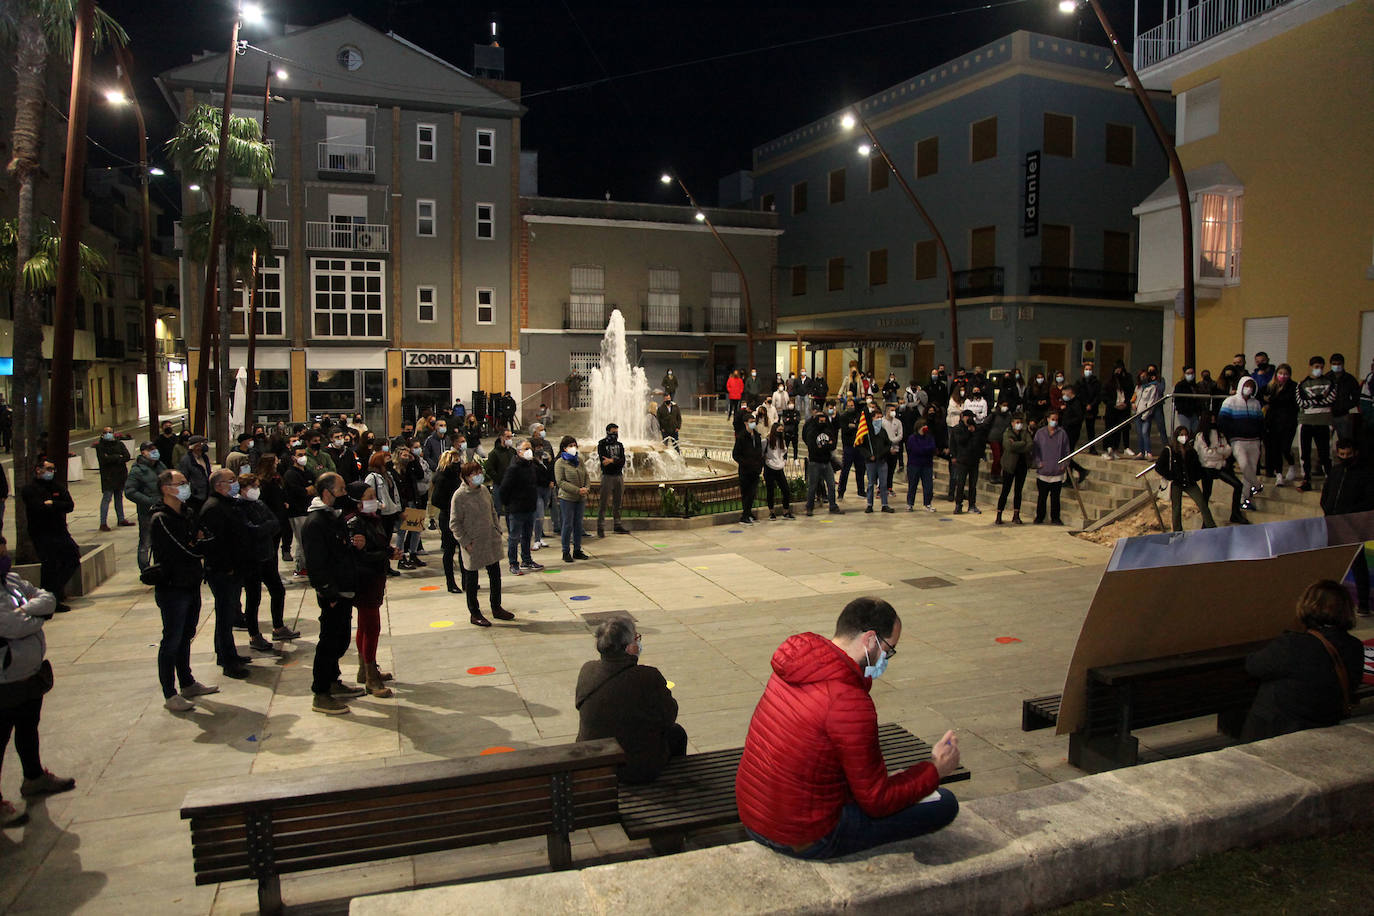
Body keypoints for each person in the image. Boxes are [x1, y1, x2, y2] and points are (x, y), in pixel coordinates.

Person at [736, 596, 960, 859]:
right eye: (889, 649)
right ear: (870, 640)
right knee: (943, 802)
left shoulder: (797, 666)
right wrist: (935, 769)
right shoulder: (849, 701)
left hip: (755, 815)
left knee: (901, 786)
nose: (887, 658)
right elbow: (877, 801)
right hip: (803, 835)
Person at [0, 535, 75, 826]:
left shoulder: (13, 580)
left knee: (28, 726)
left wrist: (30, 611)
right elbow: (10, 625)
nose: (2, 551)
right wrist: (36, 616)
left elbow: (48, 598)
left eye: (3, 545)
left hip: (29, 670)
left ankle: (33, 777)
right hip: (5, 676)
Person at [1241, 580, 1364, 742]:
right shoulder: (1355, 646)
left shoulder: (1293, 644)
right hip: (1324, 727)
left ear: (1307, 606)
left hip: (1277, 732)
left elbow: (1254, 666)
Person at [575, 615, 687, 783]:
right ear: (629, 648)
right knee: (677, 734)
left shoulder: (587, 670)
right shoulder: (647, 677)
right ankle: (675, 785)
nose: (638, 643)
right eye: (636, 638)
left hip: (593, 761)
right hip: (632, 768)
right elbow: (669, 716)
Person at [148, 470, 219, 713]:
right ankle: (170, 692)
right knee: (172, 638)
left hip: (191, 581)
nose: (185, 487)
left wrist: (198, 543)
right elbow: (184, 550)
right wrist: (197, 544)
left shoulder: (187, 513)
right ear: (166, 488)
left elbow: (206, 539)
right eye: (181, 483)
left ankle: (187, 681)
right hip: (172, 586)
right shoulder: (161, 519)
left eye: (186, 483)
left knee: (187, 634)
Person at [301, 472, 366, 714]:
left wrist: (354, 545)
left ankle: (332, 680)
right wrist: (328, 593)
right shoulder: (316, 523)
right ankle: (321, 692)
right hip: (333, 593)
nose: (344, 495)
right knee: (329, 642)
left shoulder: (333, 517)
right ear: (327, 493)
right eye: (340, 490)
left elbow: (340, 549)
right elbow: (317, 564)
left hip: (345, 588)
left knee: (340, 640)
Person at [199, 469, 253, 678]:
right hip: (222, 571)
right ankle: (228, 660)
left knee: (228, 613)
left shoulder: (227, 504)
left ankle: (226, 653)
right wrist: (228, 567)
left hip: (233, 567)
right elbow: (215, 544)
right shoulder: (213, 508)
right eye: (231, 481)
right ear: (219, 485)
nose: (235, 484)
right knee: (224, 616)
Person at [345, 480, 397, 696]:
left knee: (365, 626)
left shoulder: (373, 519)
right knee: (371, 627)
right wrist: (386, 554)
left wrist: (390, 551)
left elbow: (377, 546)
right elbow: (360, 556)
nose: (373, 500)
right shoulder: (354, 524)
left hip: (375, 577)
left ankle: (365, 668)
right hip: (364, 580)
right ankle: (370, 677)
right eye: (368, 497)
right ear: (357, 502)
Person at [449, 460, 515, 626]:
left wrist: (497, 529)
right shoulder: (459, 496)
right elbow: (454, 523)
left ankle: (496, 606)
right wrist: (465, 542)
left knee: (495, 575)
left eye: (480, 472)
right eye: (474, 473)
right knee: (472, 578)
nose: (479, 476)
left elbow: (492, 510)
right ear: (466, 477)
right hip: (472, 542)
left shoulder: (484, 490)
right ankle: (474, 612)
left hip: (490, 538)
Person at [1321, 439, 1374, 615]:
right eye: (1342, 454)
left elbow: (1369, 501)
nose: (1345, 457)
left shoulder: (1364, 474)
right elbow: (1326, 494)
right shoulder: (1335, 472)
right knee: (1333, 563)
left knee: (1358, 564)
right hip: (1333, 522)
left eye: (1348, 454)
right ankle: (1332, 603)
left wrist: (1349, 515)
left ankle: (1364, 605)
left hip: (1354, 524)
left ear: (1355, 453)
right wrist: (1328, 512)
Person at [236, 473, 287, 651]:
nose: (257, 490)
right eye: (254, 487)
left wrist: (263, 529)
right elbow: (251, 531)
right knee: (253, 597)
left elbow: (275, 522)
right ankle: (254, 634)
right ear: (243, 489)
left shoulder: (258, 503)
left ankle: (278, 626)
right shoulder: (239, 507)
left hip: (267, 555)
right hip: (251, 559)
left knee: (278, 591)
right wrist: (264, 528)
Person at [20, 460, 78, 615]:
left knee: (72, 558)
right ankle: (50, 599)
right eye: (48, 469)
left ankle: (55, 591)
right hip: (41, 533)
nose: (51, 472)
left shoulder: (56, 486)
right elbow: (37, 507)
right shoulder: (30, 489)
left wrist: (53, 504)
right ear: (38, 470)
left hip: (59, 530)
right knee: (49, 565)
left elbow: (69, 505)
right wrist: (52, 505)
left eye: (53, 469)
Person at [1154, 425, 1216, 531]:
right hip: (1176, 483)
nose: (1184, 437)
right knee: (1176, 508)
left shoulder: (1191, 451)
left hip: (1189, 482)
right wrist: (1171, 476)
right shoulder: (1169, 450)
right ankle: (1177, 531)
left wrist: (1196, 476)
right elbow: (1159, 467)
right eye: (1181, 435)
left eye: (1186, 434)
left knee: (1202, 503)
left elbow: (1197, 466)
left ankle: (1211, 526)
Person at [1195, 412, 1249, 525]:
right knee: (1206, 494)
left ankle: (1235, 514)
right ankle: (1206, 521)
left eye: (1214, 420)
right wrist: (1220, 451)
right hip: (1207, 468)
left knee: (1238, 485)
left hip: (1220, 466)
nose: (1213, 422)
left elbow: (1228, 450)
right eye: (1211, 420)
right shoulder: (1201, 436)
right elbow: (1205, 454)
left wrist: (1217, 451)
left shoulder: (1220, 434)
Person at [499, 439, 543, 574]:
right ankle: (513, 563)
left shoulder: (531, 466)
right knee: (514, 537)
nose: (530, 451)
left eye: (530, 448)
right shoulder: (513, 468)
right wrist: (509, 504)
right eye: (526, 449)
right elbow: (504, 490)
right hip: (516, 509)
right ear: (519, 452)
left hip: (529, 507)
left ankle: (527, 560)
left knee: (527, 535)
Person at [1218, 377, 1264, 506]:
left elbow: (1261, 422)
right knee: (1244, 466)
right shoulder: (1230, 402)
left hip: (1254, 441)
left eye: (1251, 386)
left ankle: (1244, 498)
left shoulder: (1256, 404)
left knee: (1252, 468)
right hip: (1237, 441)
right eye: (1246, 385)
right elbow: (1222, 422)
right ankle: (1257, 485)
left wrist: (1261, 438)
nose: (1249, 388)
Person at [124, 441, 166, 572]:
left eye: (155, 449)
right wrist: (149, 501)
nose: (154, 452)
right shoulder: (137, 470)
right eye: (150, 450)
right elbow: (130, 491)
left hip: (163, 509)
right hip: (147, 512)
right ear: (143, 453)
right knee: (146, 542)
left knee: (161, 541)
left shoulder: (160, 466)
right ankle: (145, 569)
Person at [1296, 355, 1335, 491]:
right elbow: (1301, 402)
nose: (1318, 369)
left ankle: (1330, 478)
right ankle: (1306, 478)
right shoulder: (1302, 384)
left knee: (1325, 452)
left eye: (1321, 367)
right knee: (1304, 453)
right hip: (1306, 421)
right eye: (1316, 367)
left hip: (1323, 422)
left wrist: (1313, 399)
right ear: (1310, 367)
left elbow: (1330, 399)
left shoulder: (1330, 382)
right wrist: (1319, 398)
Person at [430, 450, 465, 594]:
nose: (457, 463)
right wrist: (452, 508)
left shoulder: (459, 476)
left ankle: (466, 581)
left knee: (463, 551)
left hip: (461, 518)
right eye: (454, 460)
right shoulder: (443, 477)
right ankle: (451, 583)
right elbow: (436, 500)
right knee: (449, 551)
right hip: (448, 518)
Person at [363, 450, 403, 576]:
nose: (390, 461)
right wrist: (380, 505)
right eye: (387, 459)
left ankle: (387, 565)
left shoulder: (389, 475)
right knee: (381, 541)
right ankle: (383, 566)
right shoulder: (372, 477)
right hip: (381, 513)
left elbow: (394, 492)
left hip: (391, 512)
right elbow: (368, 495)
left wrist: (398, 508)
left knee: (387, 540)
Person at [554, 437, 591, 563]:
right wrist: (577, 490)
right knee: (567, 524)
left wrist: (586, 488)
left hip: (581, 498)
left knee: (578, 524)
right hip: (567, 498)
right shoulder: (560, 463)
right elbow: (560, 482)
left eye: (575, 445)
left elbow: (586, 475)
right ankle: (565, 551)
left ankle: (577, 550)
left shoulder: (579, 460)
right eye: (570, 445)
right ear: (564, 448)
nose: (573, 447)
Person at [1031, 411, 1071, 525]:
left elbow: (1067, 451)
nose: (1054, 421)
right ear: (1048, 419)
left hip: (1057, 472)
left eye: (1056, 419)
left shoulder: (1062, 433)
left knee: (1055, 498)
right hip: (1043, 471)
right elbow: (1035, 450)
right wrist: (1038, 463)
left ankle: (1055, 517)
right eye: (1053, 419)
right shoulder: (1040, 433)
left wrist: (1064, 464)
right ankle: (1040, 516)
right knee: (1042, 497)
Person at [1264, 364, 1301, 485]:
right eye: (1280, 373)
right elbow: (1261, 394)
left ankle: (1291, 463)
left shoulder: (1294, 387)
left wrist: (1272, 400)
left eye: (1285, 374)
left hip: (1288, 422)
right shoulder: (1271, 386)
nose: (1283, 376)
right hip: (1273, 422)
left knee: (1285, 447)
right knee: (1275, 449)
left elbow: (1288, 402)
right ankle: (1279, 474)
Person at [93, 427, 134, 532]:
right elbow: (103, 460)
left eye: (110, 432)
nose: (108, 434)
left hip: (120, 475)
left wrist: (111, 457)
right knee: (107, 498)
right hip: (108, 476)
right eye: (106, 432)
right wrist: (118, 457)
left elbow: (127, 456)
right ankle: (103, 523)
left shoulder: (119, 444)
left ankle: (121, 518)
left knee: (119, 498)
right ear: (102, 434)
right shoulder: (100, 446)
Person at [802, 407, 841, 516]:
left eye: (824, 418)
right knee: (813, 486)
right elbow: (813, 447)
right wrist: (826, 446)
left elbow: (833, 444)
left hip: (826, 462)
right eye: (820, 418)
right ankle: (809, 507)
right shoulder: (812, 431)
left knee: (831, 485)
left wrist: (823, 446)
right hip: (815, 462)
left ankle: (833, 506)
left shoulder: (828, 430)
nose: (822, 420)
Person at [996, 412, 1032, 525]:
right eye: (1017, 422)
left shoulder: (1025, 433)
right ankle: (999, 514)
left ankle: (1016, 514)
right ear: (1012, 423)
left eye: (1021, 422)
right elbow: (1009, 446)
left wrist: (1017, 444)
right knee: (1005, 491)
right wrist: (1022, 444)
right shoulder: (1007, 433)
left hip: (1022, 466)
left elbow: (1030, 445)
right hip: (1009, 466)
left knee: (1018, 491)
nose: (1019, 424)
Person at [948, 410, 986, 516]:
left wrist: (974, 431)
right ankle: (958, 504)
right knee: (960, 484)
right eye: (967, 417)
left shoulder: (976, 428)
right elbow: (959, 441)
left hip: (974, 460)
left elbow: (981, 442)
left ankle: (972, 505)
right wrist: (953, 456)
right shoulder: (957, 429)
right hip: (962, 460)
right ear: (962, 417)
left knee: (973, 484)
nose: (969, 419)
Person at [595, 423, 628, 537]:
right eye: (613, 432)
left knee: (618, 503)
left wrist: (612, 461)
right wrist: (614, 461)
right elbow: (603, 460)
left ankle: (617, 525)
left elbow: (622, 461)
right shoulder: (602, 444)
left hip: (619, 476)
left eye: (617, 432)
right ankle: (600, 527)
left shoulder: (620, 444)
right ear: (608, 432)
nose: (616, 434)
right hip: (607, 476)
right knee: (603, 503)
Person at [864, 404, 898, 514]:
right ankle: (869, 504)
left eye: (880, 417)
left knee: (883, 484)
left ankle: (885, 504)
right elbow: (861, 446)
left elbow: (888, 445)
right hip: (870, 461)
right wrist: (869, 455)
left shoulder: (883, 431)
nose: (879, 419)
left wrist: (880, 455)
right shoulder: (867, 432)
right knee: (870, 484)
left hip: (882, 461)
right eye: (877, 417)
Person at [734, 412, 764, 524]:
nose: (753, 424)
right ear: (746, 423)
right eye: (751, 422)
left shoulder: (757, 436)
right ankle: (745, 515)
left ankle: (748, 512)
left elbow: (759, 451)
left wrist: (759, 464)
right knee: (746, 493)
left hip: (755, 470)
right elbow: (735, 454)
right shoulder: (741, 437)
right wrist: (745, 462)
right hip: (745, 470)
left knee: (752, 493)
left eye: (754, 422)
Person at [529, 423, 556, 549]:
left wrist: (552, 481)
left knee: (542, 513)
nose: (541, 448)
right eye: (538, 446)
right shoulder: (531, 461)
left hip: (547, 489)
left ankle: (539, 538)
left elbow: (551, 467)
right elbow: (535, 475)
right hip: (537, 489)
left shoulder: (546, 455)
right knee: (538, 515)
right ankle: (536, 539)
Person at [1100, 363, 1133, 459]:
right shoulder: (1108, 383)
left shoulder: (1125, 382)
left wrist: (1125, 404)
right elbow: (1104, 396)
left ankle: (1114, 449)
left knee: (1118, 431)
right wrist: (1113, 404)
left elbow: (1130, 392)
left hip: (1122, 410)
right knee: (1109, 430)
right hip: (1112, 409)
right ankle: (1106, 449)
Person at [836, 399, 867, 501]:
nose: (850, 407)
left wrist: (853, 426)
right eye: (849, 405)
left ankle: (861, 491)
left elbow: (860, 428)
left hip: (859, 446)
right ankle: (841, 492)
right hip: (848, 447)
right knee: (845, 471)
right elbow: (845, 429)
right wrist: (853, 427)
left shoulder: (859, 415)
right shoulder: (843, 416)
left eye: (852, 405)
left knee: (861, 470)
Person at [762, 423, 794, 520]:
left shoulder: (782, 441)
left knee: (786, 490)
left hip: (779, 468)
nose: (780, 433)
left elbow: (784, 452)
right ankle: (771, 512)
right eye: (778, 431)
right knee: (770, 491)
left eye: (781, 431)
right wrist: (767, 460)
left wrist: (783, 461)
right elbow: (762, 452)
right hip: (769, 468)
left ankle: (785, 511)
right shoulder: (766, 441)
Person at [1329, 352, 1361, 444]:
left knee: (1345, 441)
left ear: (1343, 364)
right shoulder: (1327, 378)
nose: (1336, 366)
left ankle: (1345, 458)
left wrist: (1345, 406)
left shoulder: (1350, 379)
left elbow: (1356, 397)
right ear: (1330, 364)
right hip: (1328, 415)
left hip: (1343, 416)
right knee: (1325, 443)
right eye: (1334, 364)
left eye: (1339, 364)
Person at [485, 428, 516, 517]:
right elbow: (489, 469)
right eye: (507, 437)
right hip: (499, 485)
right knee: (497, 510)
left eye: (511, 437)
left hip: (510, 486)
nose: (509, 439)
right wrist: (499, 479)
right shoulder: (494, 453)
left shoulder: (512, 451)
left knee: (510, 512)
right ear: (501, 437)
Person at [177, 435, 212, 513]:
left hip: (207, 493)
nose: (205, 446)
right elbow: (183, 478)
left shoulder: (205, 457)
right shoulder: (186, 460)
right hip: (196, 497)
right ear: (196, 446)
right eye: (203, 443)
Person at [1173, 366, 1202, 437]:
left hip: (1194, 412)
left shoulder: (1195, 385)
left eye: (1192, 373)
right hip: (1184, 413)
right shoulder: (1180, 385)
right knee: (1186, 431)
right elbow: (1177, 399)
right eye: (1188, 373)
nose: (1190, 375)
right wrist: (1181, 408)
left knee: (1197, 432)